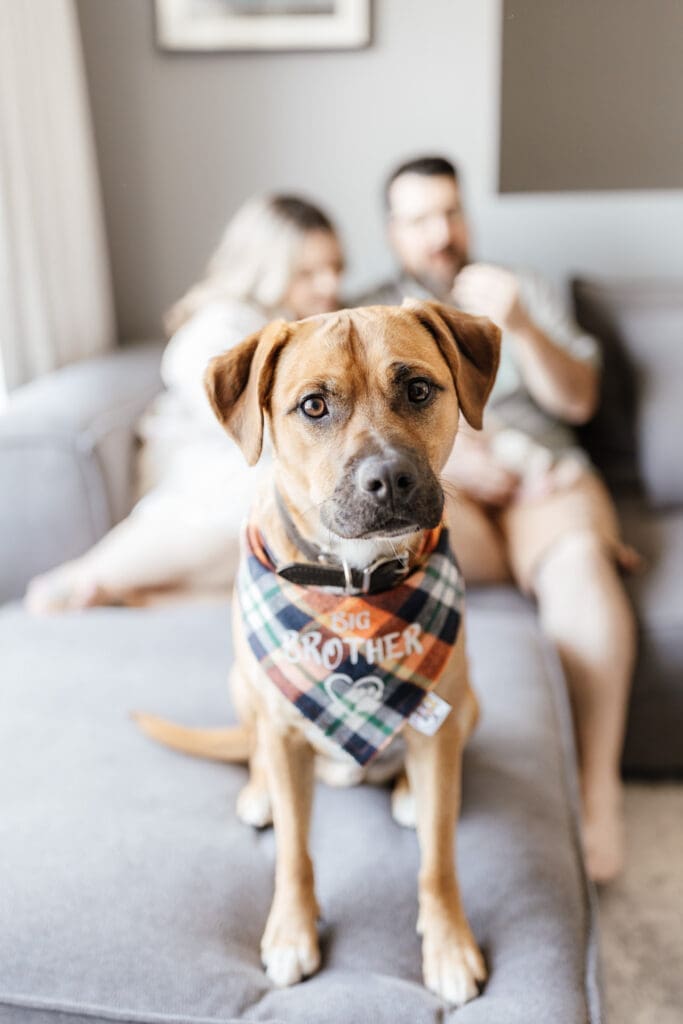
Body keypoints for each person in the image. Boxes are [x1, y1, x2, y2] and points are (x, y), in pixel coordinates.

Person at [360, 155, 638, 884]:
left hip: (545, 475)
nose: (440, 232)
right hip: (448, 489)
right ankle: (398, 763)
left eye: (450, 212)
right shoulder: (371, 314)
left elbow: (576, 403)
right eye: (420, 219)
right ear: (392, 232)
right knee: (393, 555)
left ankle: (597, 791)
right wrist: (448, 465)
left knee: (578, 564)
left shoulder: (520, 289)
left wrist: (516, 322)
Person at [26, 194, 344, 613]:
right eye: (308, 272)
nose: (330, 285)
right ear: (264, 269)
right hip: (207, 471)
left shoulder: (316, 328)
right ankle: (87, 579)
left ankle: (152, 597)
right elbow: (251, 429)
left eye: (335, 268)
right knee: (278, 503)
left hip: (262, 471)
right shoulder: (217, 328)